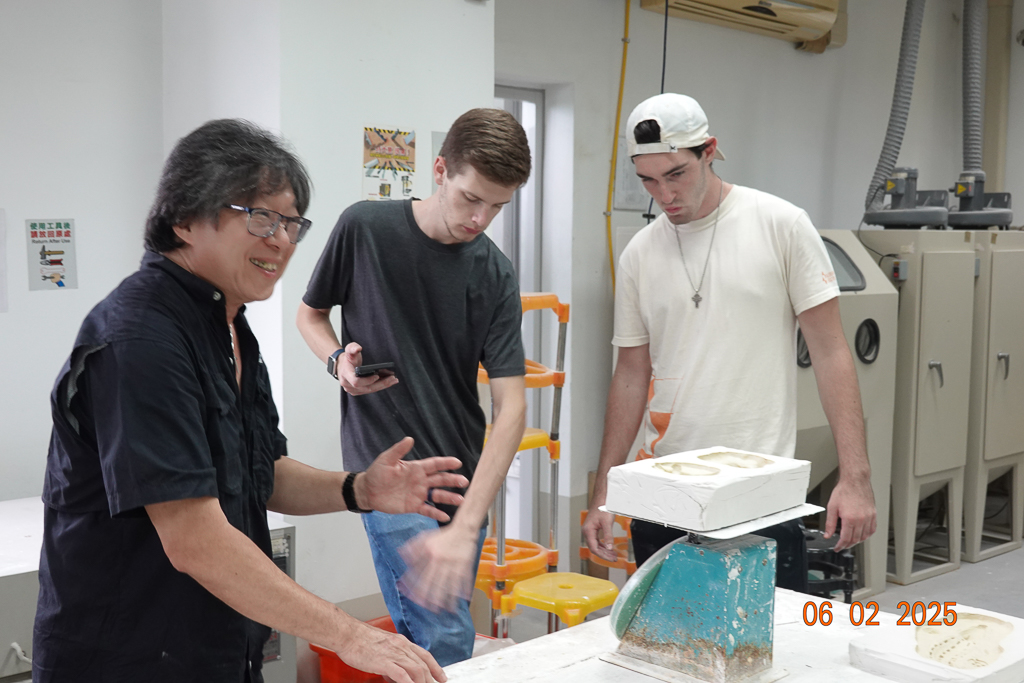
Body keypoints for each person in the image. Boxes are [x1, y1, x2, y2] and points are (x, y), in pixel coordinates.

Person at [33, 119, 466, 683]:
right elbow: (194, 539)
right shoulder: (140, 338)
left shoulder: (230, 326)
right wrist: (349, 634)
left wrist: (360, 489)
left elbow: (259, 473)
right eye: (261, 217)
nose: (281, 240)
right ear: (184, 219)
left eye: (292, 223)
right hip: (126, 659)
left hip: (216, 651)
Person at [583, 93, 877, 586]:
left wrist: (856, 477)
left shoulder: (781, 225)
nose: (664, 194)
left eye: (676, 174)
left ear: (709, 151)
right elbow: (631, 375)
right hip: (666, 493)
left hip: (760, 491)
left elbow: (830, 352)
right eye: (648, 180)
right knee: (666, 632)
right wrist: (604, 493)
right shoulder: (639, 254)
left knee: (768, 632)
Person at [297, 108, 530, 666]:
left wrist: (468, 522)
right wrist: (338, 361)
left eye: (498, 206)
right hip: (389, 469)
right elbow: (311, 314)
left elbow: (512, 408)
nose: (481, 219)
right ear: (440, 170)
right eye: (471, 198)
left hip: (458, 478)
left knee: (436, 641)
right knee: (444, 642)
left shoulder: (496, 274)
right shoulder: (365, 228)